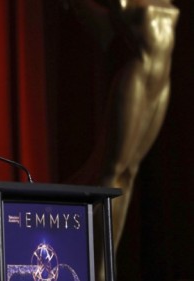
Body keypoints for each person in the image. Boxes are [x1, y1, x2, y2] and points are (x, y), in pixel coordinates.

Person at [66, 0, 179, 279]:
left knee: (130, 174)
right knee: (112, 173)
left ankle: (108, 260)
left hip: (162, 83)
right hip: (137, 79)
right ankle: (98, 267)